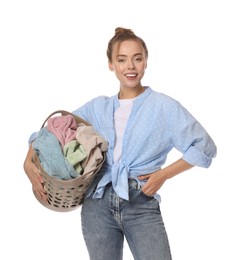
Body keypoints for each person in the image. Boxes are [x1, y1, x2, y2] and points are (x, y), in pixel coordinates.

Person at [23, 27, 217, 260]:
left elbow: (204, 146)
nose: (130, 66)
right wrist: (27, 160)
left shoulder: (164, 107)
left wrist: (163, 175)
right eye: (122, 59)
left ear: (146, 62)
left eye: (137, 59)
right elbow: (52, 129)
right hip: (97, 204)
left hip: (141, 200)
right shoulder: (97, 107)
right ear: (111, 64)